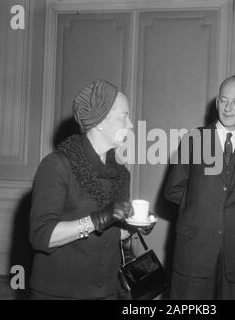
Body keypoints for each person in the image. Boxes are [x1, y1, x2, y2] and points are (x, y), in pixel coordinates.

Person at [29, 79, 153, 299]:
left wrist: (132, 228)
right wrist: (97, 220)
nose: (131, 124)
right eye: (124, 116)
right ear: (100, 121)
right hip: (60, 292)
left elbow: (110, 236)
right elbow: (41, 236)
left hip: (106, 291)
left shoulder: (122, 173)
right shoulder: (57, 165)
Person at [164, 75, 235, 300]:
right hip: (194, 252)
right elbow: (173, 190)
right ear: (217, 102)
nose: (228, 108)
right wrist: (203, 209)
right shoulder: (195, 139)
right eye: (224, 100)